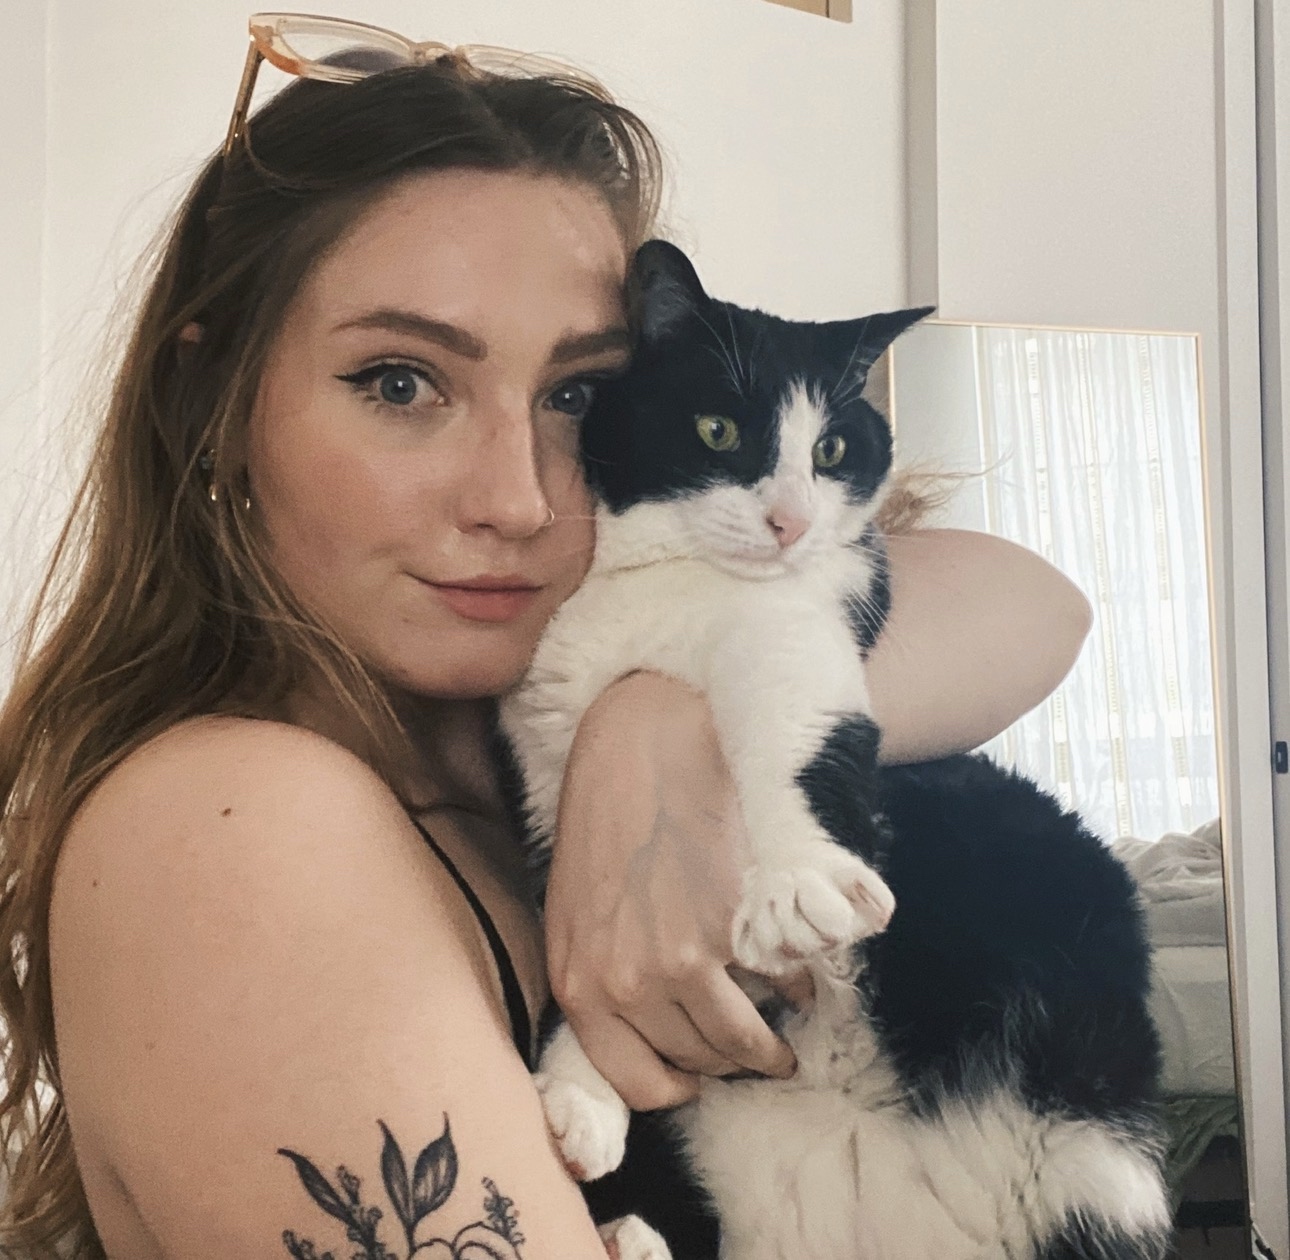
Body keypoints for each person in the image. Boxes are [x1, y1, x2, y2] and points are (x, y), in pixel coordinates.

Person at [0, 19, 1092, 1260]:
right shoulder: (238, 830)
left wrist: (662, 725)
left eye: (575, 394)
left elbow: (1032, 604)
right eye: (401, 382)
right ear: (212, 401)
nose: (517, 499)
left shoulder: (518, 732)